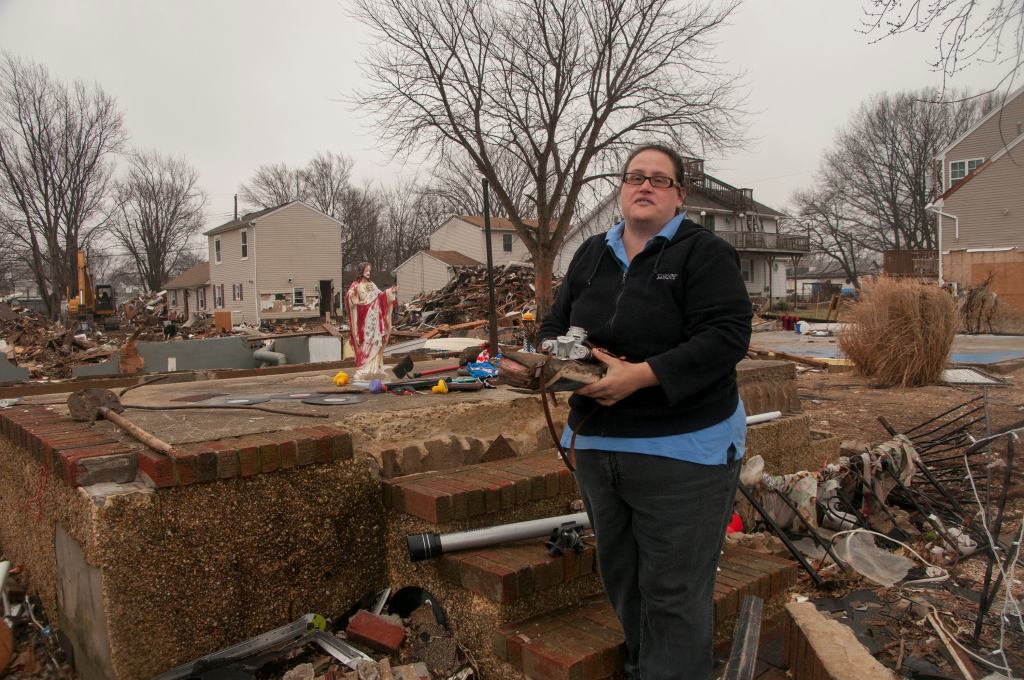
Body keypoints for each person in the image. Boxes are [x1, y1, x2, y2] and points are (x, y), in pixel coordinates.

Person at [539, 143, 752, 680]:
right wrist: (547, 362)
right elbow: (554, 327)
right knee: (625, 579)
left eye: (660, 179)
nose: (646, 186)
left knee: (674, 593)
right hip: (598, 445)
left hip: (683, 450)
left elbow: (726, 337)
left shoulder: (703, 254)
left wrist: (642, 376)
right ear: (621, 187)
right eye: (636, 176)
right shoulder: (591, 253)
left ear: (679, 195)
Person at [345, 262, 398, 380]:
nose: (368, 273)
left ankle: (376, 367)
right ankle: (365, 368)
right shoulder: (356, 285)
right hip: (364, 319)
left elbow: (381, 296)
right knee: (366, 340)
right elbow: (349, 298)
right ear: (361, 271)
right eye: (366, 270)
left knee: (376, 340)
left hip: (376, 318)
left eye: (369, 270)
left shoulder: (372, 284)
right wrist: (354, 294)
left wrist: (390, 292)